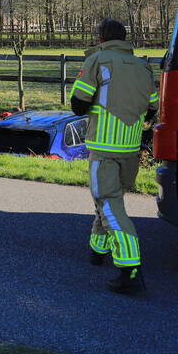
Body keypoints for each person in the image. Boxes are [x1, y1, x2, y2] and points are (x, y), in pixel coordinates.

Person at [69, 18, 158, 295]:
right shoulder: (143, 65)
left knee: (109, 204)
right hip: (130, 148)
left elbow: (78, 104)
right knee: (107, 198)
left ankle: (130, 271)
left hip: (104, 147)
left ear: (101, 38)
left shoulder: (98, 60)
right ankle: (98, 250)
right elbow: (153, 107)